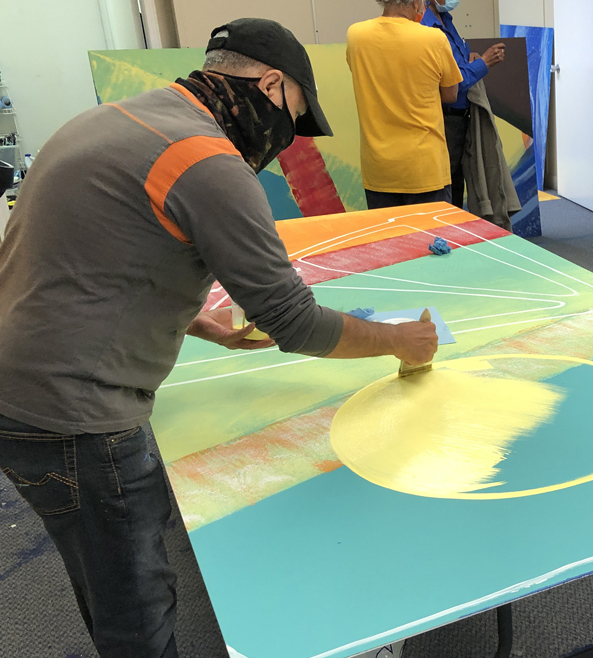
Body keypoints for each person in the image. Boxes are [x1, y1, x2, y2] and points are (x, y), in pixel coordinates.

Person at [0, 19, 438, 656]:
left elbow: (84, 254)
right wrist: (401, 340)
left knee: (104, 569)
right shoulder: (208, 161)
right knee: (135, 605)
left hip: (21, 380)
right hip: (73, 416)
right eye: (294, 115)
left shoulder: (118, 120)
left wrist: (197, 320)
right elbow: (293, 320)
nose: (289, 138)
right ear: (268, 83)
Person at [348, 0, 463, 209]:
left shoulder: (356, 36)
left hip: (379, 169)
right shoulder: (434, 39)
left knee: (389, 240)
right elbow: (450, 94)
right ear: (415, 1)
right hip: (425, 169)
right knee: (433, 240)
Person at [422, 0, 506, 211]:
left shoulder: (446, 21)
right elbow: (450, 85)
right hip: (444, 118)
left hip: (461, 118)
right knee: (447, 186)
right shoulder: (426, 27)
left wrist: (471, 61)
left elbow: (455, 67)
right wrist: (483, 64)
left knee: (460, 180)